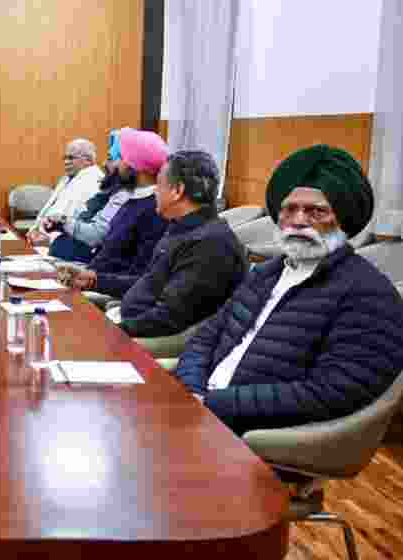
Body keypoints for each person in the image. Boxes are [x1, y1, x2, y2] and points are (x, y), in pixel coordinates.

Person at [175, 145, 403, 435]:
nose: (298, 221)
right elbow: (208, 336)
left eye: (316, 211)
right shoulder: (266, 273)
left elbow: (332, 392)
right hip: (197, 408)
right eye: (289, 209)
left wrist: (213, 402)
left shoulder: (370, 295)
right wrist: (190, 388)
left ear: (342, 218)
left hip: (251, 436)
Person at [67, 150, 248, 338]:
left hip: (155, 339)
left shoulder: (209, 245)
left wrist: (114, 330)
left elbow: (170, 317)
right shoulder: (182, 228)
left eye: (159, 185)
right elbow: (150, 283)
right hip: (135, 323)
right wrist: (94, 280)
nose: (155, 192)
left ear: (177, 191)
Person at [59, 128, 170, 280]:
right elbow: (109, 255)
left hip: (110, 293)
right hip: (95, 279)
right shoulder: (132, 200)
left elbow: (138, 278)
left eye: (120, 158)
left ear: (136, 165)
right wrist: (83, 273)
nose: (114, 165)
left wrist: (90, 281)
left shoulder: (153, 209)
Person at [47, 129, 135, 263]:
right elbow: (82, 218)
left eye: (111, 159)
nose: (104, 163)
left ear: (129, 164)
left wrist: (63, 221)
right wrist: (59, 224)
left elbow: (96, 235)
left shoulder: (124, 196)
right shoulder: (112, 190)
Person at [27, 138, 104, 245]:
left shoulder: (94, 182)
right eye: (65, 158)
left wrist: (49, 239)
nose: (66, 162)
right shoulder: (68, 178)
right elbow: (49, 211)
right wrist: (34, 229)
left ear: (88, 160)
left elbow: (79, 223)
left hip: (62, 245)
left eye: (71, 158)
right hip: (42, 240)